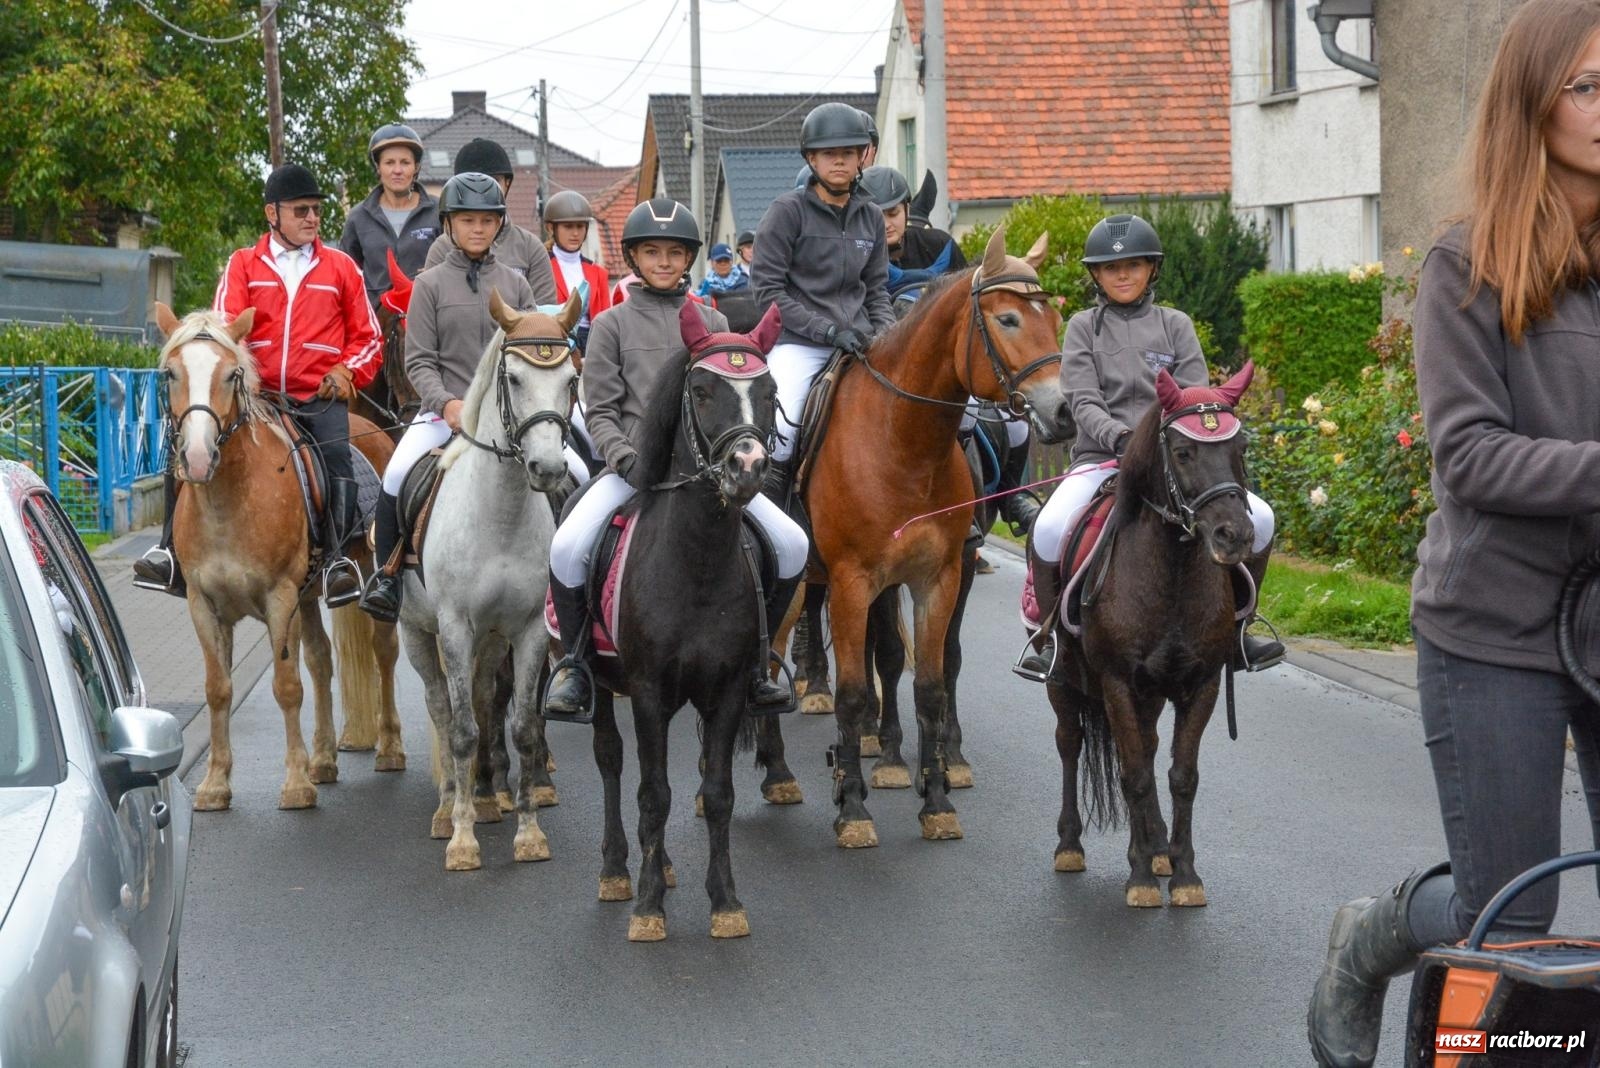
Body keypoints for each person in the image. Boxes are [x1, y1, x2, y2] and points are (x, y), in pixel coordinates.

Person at [1307, 4, 1600, 1064]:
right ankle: (1373, 933)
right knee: (1510, 924)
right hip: (1493, 632)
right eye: (1589, 88)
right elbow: (1468, 458)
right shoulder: (1465, 265)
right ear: (1532, 104)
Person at [543, 199, 809, 719]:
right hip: (634, 470)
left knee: (793, 543)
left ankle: (758, 662)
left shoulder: (713, 318)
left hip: (711, 475)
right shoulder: (612, 323)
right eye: (651, 252)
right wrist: (624, 458)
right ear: (635, 257)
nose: (663, 262)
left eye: (673, 253)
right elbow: (597, 407)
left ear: (688, 258)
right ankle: (575, 665)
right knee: (567, 546)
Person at [1019, 214, 1283, 677]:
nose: (1123, 275)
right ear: (1096, 275)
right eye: (1111, 268)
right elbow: (1082, 398)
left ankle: (1241, 629)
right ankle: (1051, 640)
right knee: (1048, 525)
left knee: (1261, 518)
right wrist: (1120, 438)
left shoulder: (1175, 324)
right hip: (1103, 458)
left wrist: (1166, 446)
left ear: (1152, 270)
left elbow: (1195, 396)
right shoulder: (1084, 327)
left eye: (1134, 265)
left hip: (1175, 464)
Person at [135, 164, 380, 605]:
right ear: (273, 213)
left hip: (316, 397)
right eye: (301, 209)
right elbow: (221, 333)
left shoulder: (341, 267)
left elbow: (369, 338)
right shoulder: (243, 263)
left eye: (317, 210)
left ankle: (339, 562)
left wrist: (346, 373)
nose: (312, 218)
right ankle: (169, 553)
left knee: (338, 457)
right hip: (254, 398)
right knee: (186, 448)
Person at [359, 174, 587, 621]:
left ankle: (574, 581)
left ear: (499, 224)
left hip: (512, 416)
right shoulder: (428, 286)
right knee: (397, 475)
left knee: (578, 471)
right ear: (450, 224)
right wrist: (447, 404)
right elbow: (419, 361)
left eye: (487, 220)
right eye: (468, 220)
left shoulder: (516, 285)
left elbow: (533, 356)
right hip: (444, 414)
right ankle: (387, 576)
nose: (478, 229)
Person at [752, 102, 895, 497]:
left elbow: (877, 290)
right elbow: (768, 294)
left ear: (861, 157)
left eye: (848, 153)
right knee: (784, 424)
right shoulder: (787, 213)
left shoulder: (870, 217)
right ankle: (773, 508)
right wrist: (828, 330)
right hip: (802, 344)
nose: (839, 161)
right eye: (830, 154)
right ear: (812, 158)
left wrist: (887, 333)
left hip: (863, 342)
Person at [422, 137, 558, 305]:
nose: (483, 188)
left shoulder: (531, 248)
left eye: (494, 180)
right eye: (472, 181)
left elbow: (544, 314)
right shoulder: (441, 248)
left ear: (507, 183)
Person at [341, 123, 441, 308]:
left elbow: (455, 263)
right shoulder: (358, 217)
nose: (397, 170)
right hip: (375, 324)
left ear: (416, 167)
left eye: (405, 162)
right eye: (389, 163)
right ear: (378, 167)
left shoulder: (438, 211)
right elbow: (345, 274)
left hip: (427, 317)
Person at [543, 189, 612, 352]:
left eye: (580, 226)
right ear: (551, 228)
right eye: (568, 226)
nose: (575, 233)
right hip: (556, 341)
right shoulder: (542, 268)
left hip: (594, 342)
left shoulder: (599, 273)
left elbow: (606, 318)